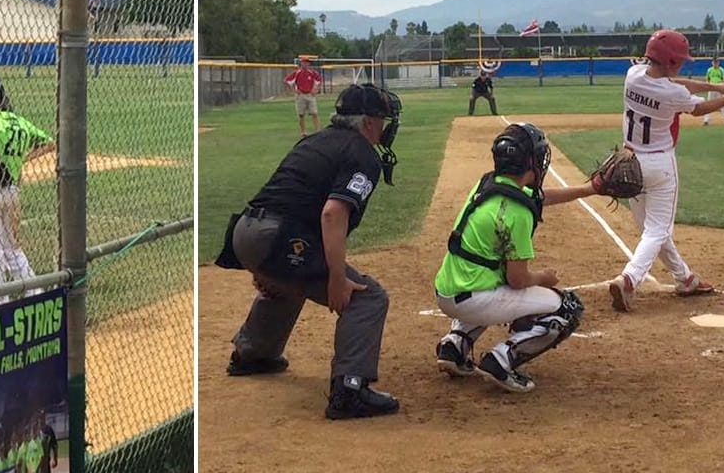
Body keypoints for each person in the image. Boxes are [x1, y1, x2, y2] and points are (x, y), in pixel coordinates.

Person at [214, 83, 403, 420]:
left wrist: (266, 266)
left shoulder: (314, 141)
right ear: (370, 123)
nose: (386, 127)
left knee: (290, 280)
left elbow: (280, 196)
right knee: (367, 297)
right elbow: (333, 213)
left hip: (245, 232)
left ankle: (254, 354)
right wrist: (336, 278)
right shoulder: (362, 153)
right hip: (276, 236)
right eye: (383, 120)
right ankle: (350, 390)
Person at [434, 123, 612, 393]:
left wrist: (590, 189)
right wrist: (544, 278)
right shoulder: (516, 212)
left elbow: (540, 198)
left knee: (489, 281)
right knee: (566, 308)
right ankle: (501, 360)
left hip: (447, 291)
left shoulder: (488, 184)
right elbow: (518, 280)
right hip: (474, 299)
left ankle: (455, 345)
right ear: (530, 162)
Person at [608, 30, 724, 312]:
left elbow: (674, 83)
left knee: (652, 231)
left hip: (630, 161)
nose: (682, 64)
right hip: (659, 165)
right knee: (657, 231)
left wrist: (720, 86)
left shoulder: (633, 74)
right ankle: (630, 278)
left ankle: (685, 279)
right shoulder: (672, 94)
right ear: (672, 60)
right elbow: (698, 109)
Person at [0, 78, 55, 294]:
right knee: (12, 247)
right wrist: (24, 159)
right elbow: (50, 143)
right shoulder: (20, 122)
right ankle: (34, 292)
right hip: (11, 190)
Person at [284, 57, 324, 136]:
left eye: (307, 63)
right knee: (301, 114)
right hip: (301, 95)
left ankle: (317, 130)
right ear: (301, 63)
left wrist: (316, 90)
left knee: (314, 113)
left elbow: (319, 81)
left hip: (310, 95)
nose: (305, 64)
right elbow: (286, 81)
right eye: (304, 62)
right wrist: (293, 91)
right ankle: (303, 132)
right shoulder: (297, 73)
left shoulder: (312, 73)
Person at [702, 57, 724, 125]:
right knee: (709, 104)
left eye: (717, 62)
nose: (715, 63)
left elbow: (723, 80)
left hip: (720, 88)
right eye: (714, 62)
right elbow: (707, 79)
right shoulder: (709, 70)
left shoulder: (721, 70)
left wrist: (723, 88)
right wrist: (708, 87)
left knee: (723, 103)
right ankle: (706, 120)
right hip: (712, 88)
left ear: (719, 63)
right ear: (712, 63)